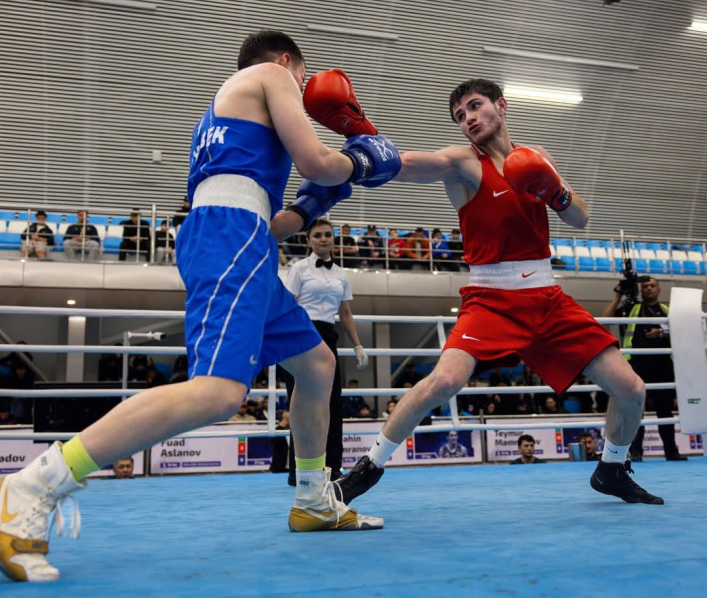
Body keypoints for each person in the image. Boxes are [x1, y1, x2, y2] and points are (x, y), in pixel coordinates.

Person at [0, 30, 402, 583]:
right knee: (219, 393)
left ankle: (313, 500)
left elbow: (275, 220)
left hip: (246, 237)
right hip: (231, 237)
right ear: (287, 61)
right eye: (302, 78)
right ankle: (30, 485)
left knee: (318, 367)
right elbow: (318, 161)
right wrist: (358, 163)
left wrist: (313, 200)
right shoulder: (271, 76)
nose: (302, 91)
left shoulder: (233, 121)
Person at [338, 78, 662, 508]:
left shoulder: (538, 158)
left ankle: (612, 468)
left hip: (547, 297)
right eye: (459, 116)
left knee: (632, 389)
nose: (468, 119)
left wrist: (557, 192)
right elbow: (404, 164)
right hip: (490, 298)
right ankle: (367, 469)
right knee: (444, 381)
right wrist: (354, 156)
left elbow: (581, 219)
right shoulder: (461, 163)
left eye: (474, 107)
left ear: (501, 106)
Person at [281, 218, 369, 485]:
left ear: (333, 238)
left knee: (332, 404)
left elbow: (345, 312)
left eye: (327, 234)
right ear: (308, 240)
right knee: (300, 404)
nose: (323, 239)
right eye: (317, 235)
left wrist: (357, 345)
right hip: (300, 336)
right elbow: (288, 306)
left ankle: (333, 466)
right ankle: (298, 470)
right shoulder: (298, 269)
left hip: (328, 338)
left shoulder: (340, 273)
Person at [604, 277, 685, 462]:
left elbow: (683, 330)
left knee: (665, 411)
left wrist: (661, 332)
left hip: (664, 367)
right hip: (637, 366)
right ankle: (636, 452)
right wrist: (617, 296)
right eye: (645, 286)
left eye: (652, 286)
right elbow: (605, 321)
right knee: (635, 412)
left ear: (659, 289)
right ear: (641, 290)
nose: (648, 288)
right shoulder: (630, 309)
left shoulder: (668, 311)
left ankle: (671, 452)